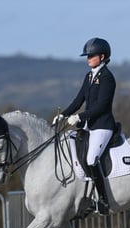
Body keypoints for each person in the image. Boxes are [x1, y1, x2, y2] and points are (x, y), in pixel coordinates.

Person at [52, 37, 117, 215]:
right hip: (90, 126)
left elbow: (102, 106)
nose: (88, 59)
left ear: (102, 56)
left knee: (91, 159)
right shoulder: (89, 76)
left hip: (102, 126)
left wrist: (79, 117)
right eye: (87, 56)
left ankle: (103, 201)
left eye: (91, 56)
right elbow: (78, 100)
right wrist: (63, 115)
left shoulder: (107, 78)